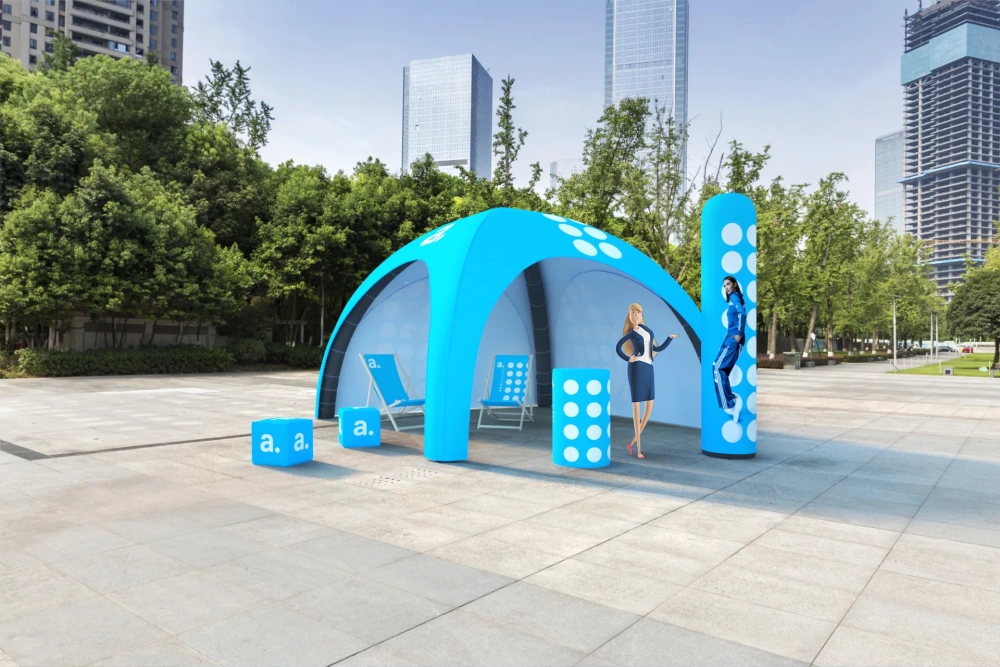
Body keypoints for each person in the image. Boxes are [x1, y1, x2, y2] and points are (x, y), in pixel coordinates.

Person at [615, 303, 679, 459]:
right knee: (637, 405)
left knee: (650, 403)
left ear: (641, 315)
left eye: (638, 314)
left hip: (648, 368)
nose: (636, 316)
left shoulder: (648, 331)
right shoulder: (631, 334)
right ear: (629, 317)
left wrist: (669, 338)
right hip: (636, 368)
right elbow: (618, 348)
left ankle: (632, 442)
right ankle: (638, 450)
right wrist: (629, 358)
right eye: (633, 314)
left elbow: (656, 349)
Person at [713, 275, 746, 422]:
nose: (726, 287)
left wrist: (739, 334)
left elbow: (742, 314)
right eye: (724, 285)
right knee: (719, 368)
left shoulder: (735, 296)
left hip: (733, 339)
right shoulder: (733, 298)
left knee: (718, 368)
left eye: (728, 284)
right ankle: (731, 402)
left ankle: (731, 403)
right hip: (728, 338)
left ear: (734, 284)